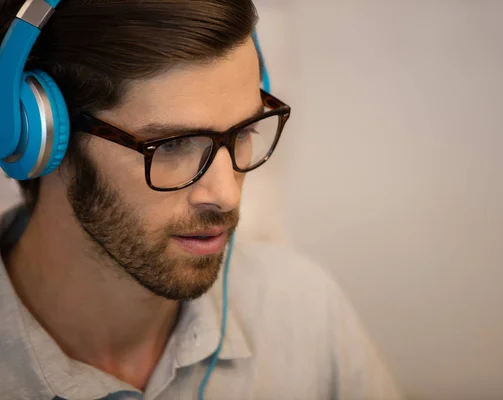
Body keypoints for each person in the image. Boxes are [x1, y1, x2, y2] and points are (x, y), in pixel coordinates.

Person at [0, 0, 401, 399]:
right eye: (173, 145)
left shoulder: (305, 312)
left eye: (244, 131)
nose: (225, 195)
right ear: (36, 134)